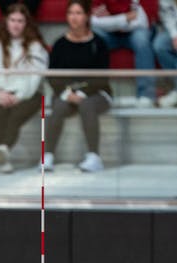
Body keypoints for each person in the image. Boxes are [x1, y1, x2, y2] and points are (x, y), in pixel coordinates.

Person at [42, 0, 112, 174]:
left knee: (87, 104)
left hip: (97, 93)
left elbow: (102, 77)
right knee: (58, 106)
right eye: (71, 13)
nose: (74, 17)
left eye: (79, 13)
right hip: (66, 93)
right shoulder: (60, 44)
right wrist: (68, 93)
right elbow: (53, 77)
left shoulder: (99, 43)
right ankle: (47, 156)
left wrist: (81, 92)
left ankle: (94, 157)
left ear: (87, 16)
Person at [0, 3, 47, 175]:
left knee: (15, 115)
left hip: (27, 94)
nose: (16, 24)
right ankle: (3, 154)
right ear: (6, 22)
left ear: (26, 24)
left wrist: (19, 96)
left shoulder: (36, 46)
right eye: (12, 20)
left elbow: (35, 76)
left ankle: (2, 149)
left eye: (20, 21)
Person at [91, 0, 156, 108]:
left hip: (136, 31)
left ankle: (146, 95)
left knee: (141, 41)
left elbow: (143, 22)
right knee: (93, 37)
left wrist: (112, 22)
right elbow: (94, 21)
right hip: (110, 33)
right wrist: (125, 18)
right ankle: (95, 91)